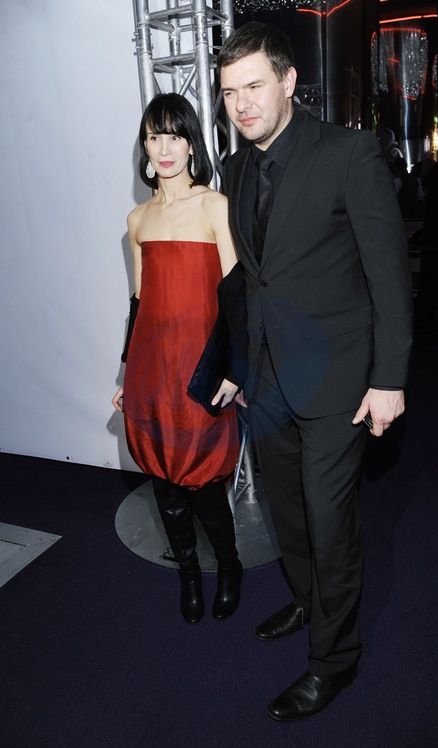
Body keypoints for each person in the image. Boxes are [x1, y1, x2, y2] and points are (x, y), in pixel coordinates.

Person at [217, 22, 414, 720]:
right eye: (230, 93)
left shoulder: (349, 153)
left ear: (289, 81)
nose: (242, 104)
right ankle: (307, 599)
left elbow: (389, 276)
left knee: (331, 522)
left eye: (254, 86)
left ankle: (335, 660)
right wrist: (240, 364)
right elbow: (250, 280)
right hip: (269, 377)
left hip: (339, 377)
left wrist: (389, 378)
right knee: (289, 513)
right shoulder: (235, 168)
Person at [112, 93, 243, 625]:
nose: (164, 148)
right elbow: (139, 302)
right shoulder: (137, 219)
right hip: (152, 369)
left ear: (192, 144)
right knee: (164, 480)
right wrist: (126, 373)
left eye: (174, 135)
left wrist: (234, 370)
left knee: (204, 478)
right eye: (154, 137)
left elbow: (237, 297)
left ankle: (229, 566)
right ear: (144, 148)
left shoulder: (215, 207)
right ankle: (188, 573)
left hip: (202, 369)